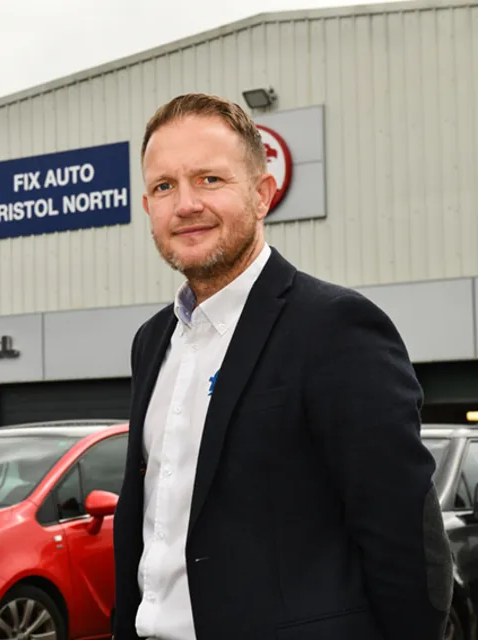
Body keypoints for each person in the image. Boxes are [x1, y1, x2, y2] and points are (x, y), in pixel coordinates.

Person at [112, 93, 453, 640]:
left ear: (263, 194)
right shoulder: (152, 342)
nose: (186, 204)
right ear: (147, 205)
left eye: (210, 180)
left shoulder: (336, 328)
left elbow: (404, 542)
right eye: (164, 186)